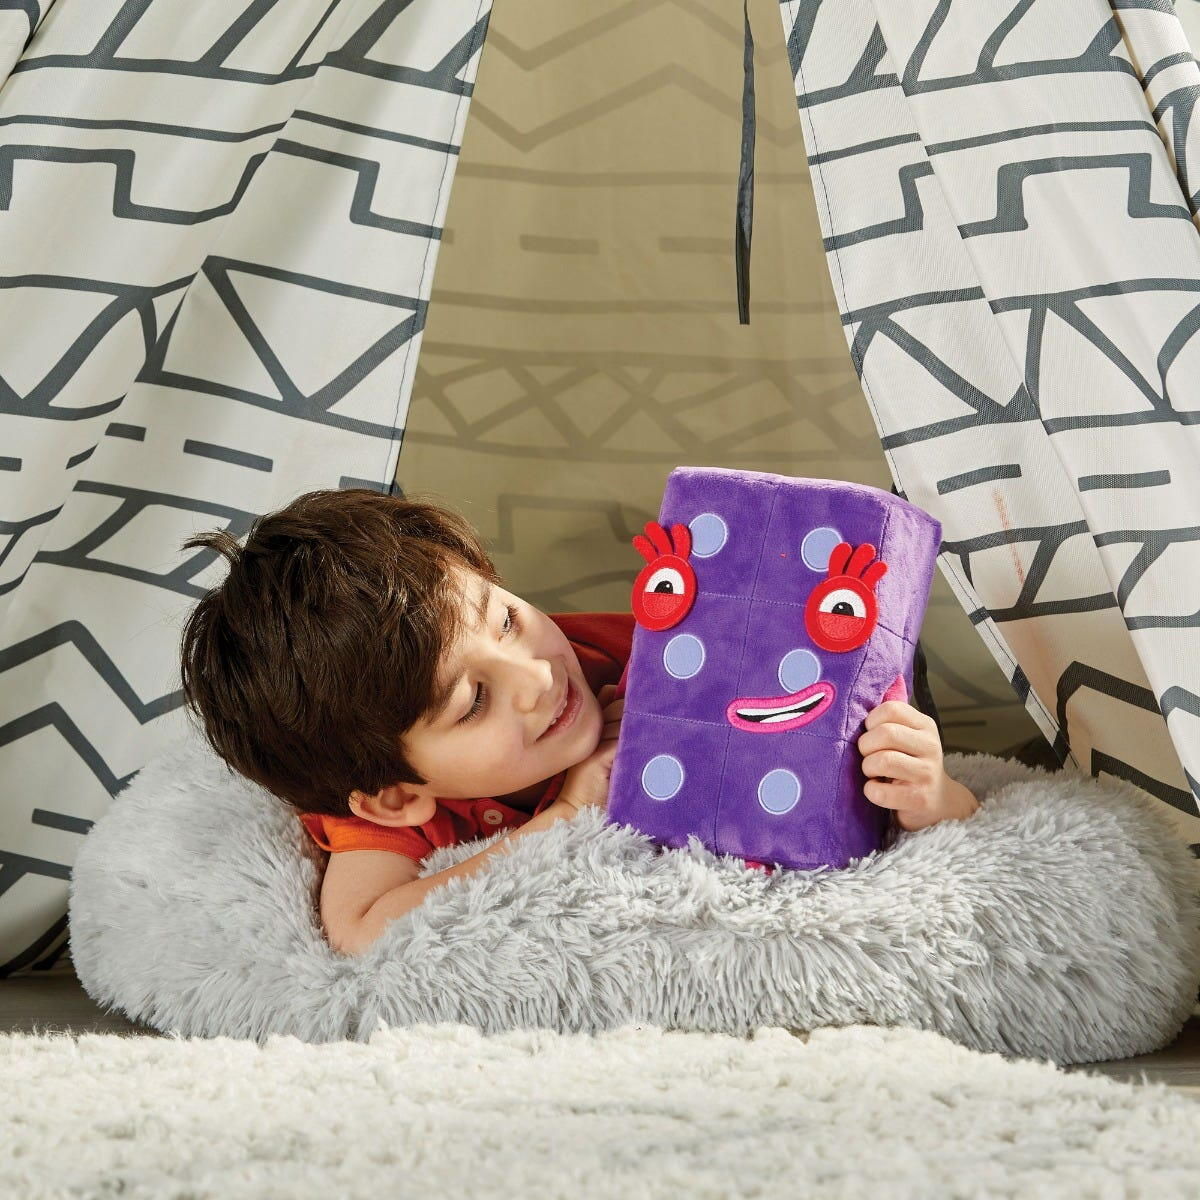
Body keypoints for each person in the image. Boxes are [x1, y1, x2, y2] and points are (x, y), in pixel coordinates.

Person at [179, 488, 978, 958]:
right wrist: (563, 816)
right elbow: (360, 928)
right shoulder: (374, 785)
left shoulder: (660, 657)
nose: (536, 677)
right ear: (395, 796)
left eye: (506, 620)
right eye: (474, 701)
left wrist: (933, 795)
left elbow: (853, 804)